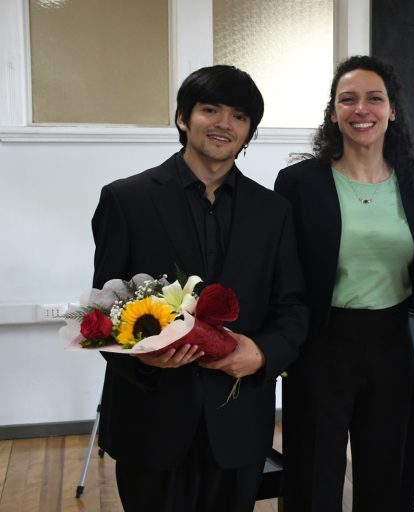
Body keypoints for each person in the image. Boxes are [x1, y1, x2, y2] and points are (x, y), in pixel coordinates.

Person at [91, 65, 308, 512]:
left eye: (239, 116)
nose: (224, 124)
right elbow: (104, 309)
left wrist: (263, 354)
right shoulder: (126, 200)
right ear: (182, 118)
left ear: (249, 132)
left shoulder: (274, 211)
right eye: (210, 110)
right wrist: (141, 357)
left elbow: (292, 306)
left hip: (238, 421)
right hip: (151, 419)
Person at [274, 55, 414, 511]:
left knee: (387, 477)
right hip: (320, 345)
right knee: (313, 477)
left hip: (392, 345)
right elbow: (281, 272)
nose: (361, 109)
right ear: (333, 113)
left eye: (374, 98)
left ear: (392, 111)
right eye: (348, 99)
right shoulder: (299, 183)